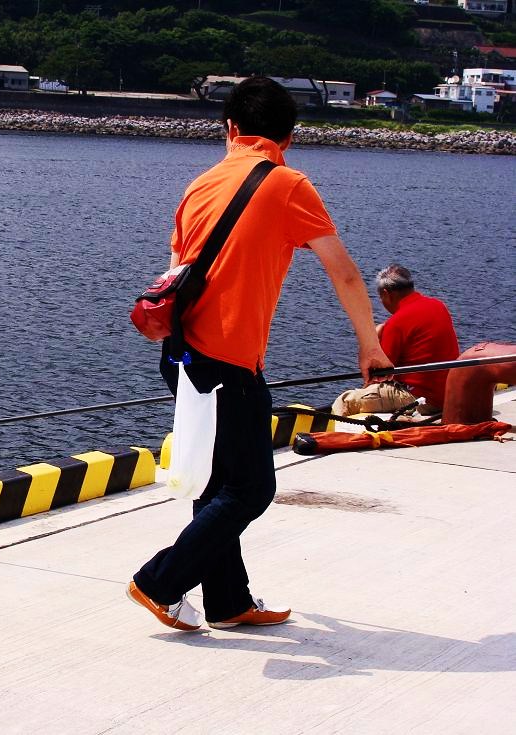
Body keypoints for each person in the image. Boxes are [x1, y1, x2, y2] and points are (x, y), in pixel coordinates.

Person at [127, 76, 393, 632]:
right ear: (289, 137)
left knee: (217, 481)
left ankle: (228, 601)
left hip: (181, 352)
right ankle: (160, 581)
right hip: (229, 360)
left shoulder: (200, 185)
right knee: (251, 488)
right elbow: (344, 272)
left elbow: (177, 272)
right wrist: (370, 344)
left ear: (229, 128)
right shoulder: (289, 184)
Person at [332, 264, 460, 417]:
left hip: (419, 400)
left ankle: (330, 431)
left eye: (381, 297)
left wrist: (373, 338)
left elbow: (379, 376)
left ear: (386, 294)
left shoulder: (397, 323)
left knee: (345, 401)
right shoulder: (438, 306)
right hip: (447, 395)